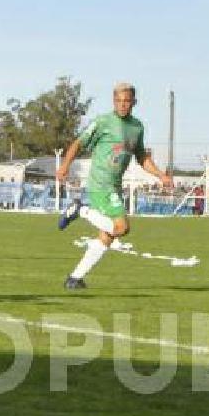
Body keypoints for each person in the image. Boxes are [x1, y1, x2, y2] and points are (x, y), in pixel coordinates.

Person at [56, 82, 172, 289]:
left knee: (107, 235)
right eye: (118, 101)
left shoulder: (137, 127)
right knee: (121, 227)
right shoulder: (103, 122)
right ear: (113, 101)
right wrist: (64, 165)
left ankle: (74, 278)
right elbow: (78, 143)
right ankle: (80, 210)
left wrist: (160, 175)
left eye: (127, 101)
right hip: (101, 183)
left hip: (115, 185)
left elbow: (141, 157)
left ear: (134, 102)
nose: (122, 105)